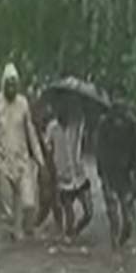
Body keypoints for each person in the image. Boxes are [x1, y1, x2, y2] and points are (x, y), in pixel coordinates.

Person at [0, 63, 44, 240]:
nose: (11, 88)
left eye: (14, 84)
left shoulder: (23, 103)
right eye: (8, 84)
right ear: (3, 84)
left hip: (22, 161)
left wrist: (40, 160)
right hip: (2, 163)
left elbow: (31, 134)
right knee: (9, 212)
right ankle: (14, 242)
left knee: (29, 205)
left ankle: (25, 239)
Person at [44, 98, 91, 240]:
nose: (61, 111)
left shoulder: (77, 123)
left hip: (79, 175)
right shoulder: (52, 128)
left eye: (64, 108)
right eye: (58, 109)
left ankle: (75, 233)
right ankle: (69, 239)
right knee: (69, 217)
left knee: (89, 213)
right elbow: (47, 149)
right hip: (63, 178)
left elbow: (84, 129)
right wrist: (49, 172)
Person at [97, 102, 136, 249]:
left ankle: (120, 244)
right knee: (113, 215)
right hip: (109, 173)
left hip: (125, 174)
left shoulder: (131, 123)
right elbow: (99, 149)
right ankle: (115, 248)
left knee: (128, 220)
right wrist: (101, 173)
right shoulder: (104, 123)